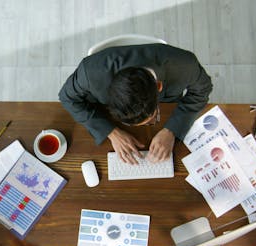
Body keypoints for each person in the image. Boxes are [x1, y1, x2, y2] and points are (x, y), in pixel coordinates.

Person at [59, 43, 212, 164]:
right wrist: (111, 132)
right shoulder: (90, 72)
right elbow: (67, 98)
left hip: (169, 110)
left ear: (159, 87)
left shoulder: (185, 64)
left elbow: (202, 90)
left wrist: (171, 130)